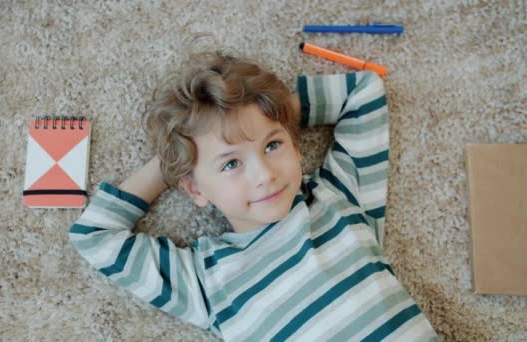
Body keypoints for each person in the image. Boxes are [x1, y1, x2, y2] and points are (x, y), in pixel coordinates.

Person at [68, 49, 439, 341]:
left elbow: (364, 92)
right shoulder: (205, 279)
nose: (264, 174)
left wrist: (270, 110)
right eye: (231, 164)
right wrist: (172, 162)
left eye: (273, 144)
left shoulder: (338, 197)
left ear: (295, 144)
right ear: (196, 188)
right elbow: (95, 238)